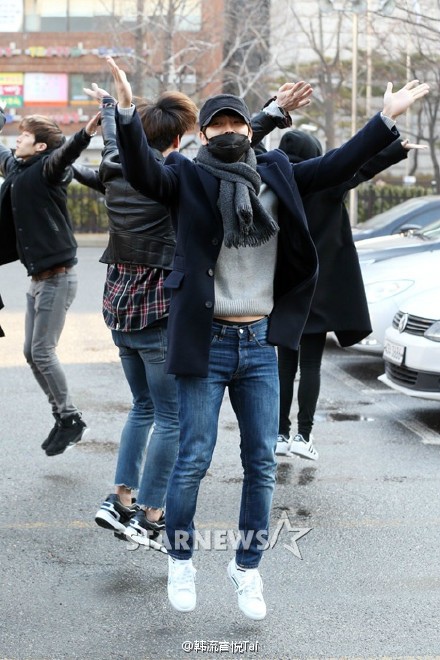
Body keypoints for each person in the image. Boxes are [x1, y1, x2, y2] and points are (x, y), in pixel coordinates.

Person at [108, 55, 428, 619]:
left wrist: (384, 118)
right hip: (205, 342)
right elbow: (141, 172)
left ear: (249, 129)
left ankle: (246, 568)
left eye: (237, 123)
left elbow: (337, 165)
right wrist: (128, 115)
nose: (230, 132)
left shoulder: (278, 171)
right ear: (204, 134)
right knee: (193, 458)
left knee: (260, 463)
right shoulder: (185, 176)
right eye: (219, 125)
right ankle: (180, 560)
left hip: (257, 343)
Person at [73, 81, 311, 549]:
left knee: (143, 407)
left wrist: (115, 110)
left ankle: (120, 497)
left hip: (119, 307)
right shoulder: (177, 177)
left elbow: (220, 144)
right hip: (160, 312)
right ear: (184, 138)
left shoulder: (115, 170)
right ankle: (150, 514)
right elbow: (230, 149)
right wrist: (270, 113)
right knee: (171, 419)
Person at [275, 131, 423, 460]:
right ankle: (303, 436)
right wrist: (396, 149)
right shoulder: (329, 182)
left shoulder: (277, 185)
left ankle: (280, 434)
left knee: (284, 367)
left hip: (284, 288)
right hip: (319, 290)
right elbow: (363, 166)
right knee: (310, 365)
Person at [0, 104, 100, 456]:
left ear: (40, 146)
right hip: (37, 279)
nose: (18, 140)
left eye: (25, 136)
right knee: (31, 352)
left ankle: (71, 419)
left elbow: (65, 155)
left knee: (42, 351)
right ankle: (62, 416)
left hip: (59, 277)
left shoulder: (48, 169)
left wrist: (85, 134)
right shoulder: (16, 167)